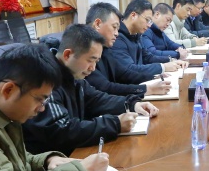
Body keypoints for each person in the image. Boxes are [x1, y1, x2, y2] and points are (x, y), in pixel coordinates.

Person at [24, 24, 158, 155]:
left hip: (74, 153)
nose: (93, 68)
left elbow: (97, 99)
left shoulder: (74, 75)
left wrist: (132, 104)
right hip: (53, 160)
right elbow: (61, 129)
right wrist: (115, 124)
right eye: (90, 60)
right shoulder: (46, 80)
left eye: (96, 61)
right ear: (68, 55)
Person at [84, 2, 171, 98]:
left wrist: (153, 76)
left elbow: (123, 73)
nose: (116, 33)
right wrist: (147, 89)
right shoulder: (84, 50)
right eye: (114, 27)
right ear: (97, 24)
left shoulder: (105, 49)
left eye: (117, 28)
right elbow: (106, 88)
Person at [110, 0, 187, 85]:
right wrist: (162, 67)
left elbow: (147, 57)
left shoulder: (136, 35)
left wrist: (171, 60)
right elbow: (129, 70)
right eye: (147, 20)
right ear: (133, 15)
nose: (149, 25)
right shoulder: (117, 38)